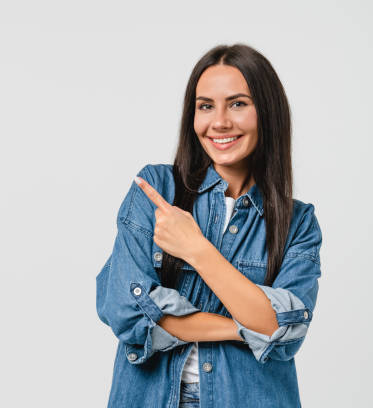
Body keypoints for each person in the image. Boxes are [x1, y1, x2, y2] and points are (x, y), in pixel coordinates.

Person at [95, 43, 323, 408]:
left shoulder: (298, 223)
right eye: (205, 106)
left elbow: (286, 337)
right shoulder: (156, 190)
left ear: (266, 112)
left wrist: (197, 250)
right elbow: (127, 311)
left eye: (237, 104)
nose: (219, 122)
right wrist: (246, 327)